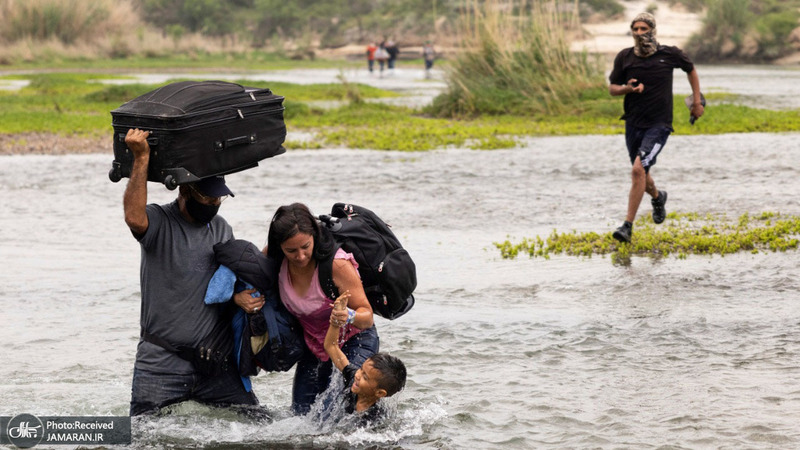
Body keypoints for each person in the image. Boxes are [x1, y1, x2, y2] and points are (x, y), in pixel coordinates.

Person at [123, 128, 262, 416]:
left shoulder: (221, 228)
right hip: (161, 361)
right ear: (186, 190)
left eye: (218, 201)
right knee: (141, 434)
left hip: (213, 358)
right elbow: (134, 217)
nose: (213, 205)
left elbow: (226, 281)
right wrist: (141, 157)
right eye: (208, 199)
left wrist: (238, 299)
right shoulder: (160, 222)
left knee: (256, 421)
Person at [267, 203, 379, 415]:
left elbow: (367, 318)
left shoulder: (337, 265)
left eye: (305, 247)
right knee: (301, 418)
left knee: (336, 415)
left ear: (314, 238)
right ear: (279, 246)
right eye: (291, 250)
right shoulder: (274, 258)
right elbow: (246, 272)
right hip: (315, 346)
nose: (300, 256)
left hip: (353, 341)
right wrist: (243, 295)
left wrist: (348, 315)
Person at [608, 12, 704, 243]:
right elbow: (612, 88)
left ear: (652, 29)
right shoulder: (625, 57)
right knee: (643, 173)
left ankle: (627, 227)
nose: (639, 33)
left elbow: (690, 69)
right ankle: (658, 197)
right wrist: (628, 89)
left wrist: (697, 100)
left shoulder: (669, 54)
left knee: (637, 170)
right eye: (636, 29)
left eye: (644, 29)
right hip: (633, 123)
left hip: (659, 125)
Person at [323, 291, 406, 420]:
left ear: (379, 393)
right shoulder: (353, 379)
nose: (357, 374)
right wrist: (336, 320)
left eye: (365, 377)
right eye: (361, 369)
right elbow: (331, 347)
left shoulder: (375, 419)